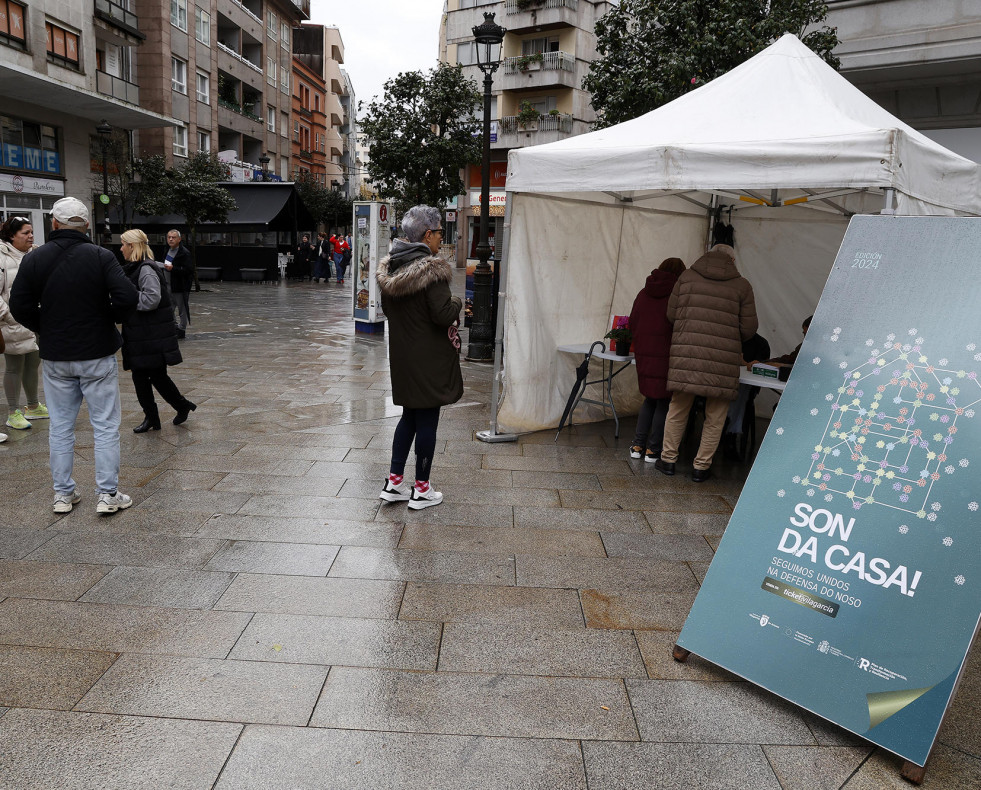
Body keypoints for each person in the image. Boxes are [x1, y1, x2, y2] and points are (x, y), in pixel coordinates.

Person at [9, 196, 139, 514]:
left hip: (56, 354)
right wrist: (104, 318)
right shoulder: (100, 256)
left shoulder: (35, 259)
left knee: (61, 426)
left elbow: (19, 306)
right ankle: (108, 494)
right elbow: (127, 296)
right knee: (105, 425)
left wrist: (47, 326)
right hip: (97, 351)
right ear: (85, 225)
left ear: (54, 223)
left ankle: (63, 494)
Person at [376, 205, 463, 510]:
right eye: (440, 233)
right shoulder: (432, 272)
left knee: (409, 418)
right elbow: (442, 315)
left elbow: (389, 312)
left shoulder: (391, 270)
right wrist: (458, 301)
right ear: (428, 235)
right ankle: (422, 489)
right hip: (429, 360)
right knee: (427, 419)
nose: (441, 238)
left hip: (402, 359)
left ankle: (394, 483)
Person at [653, 243, 758, 483]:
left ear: (708, 254)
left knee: (678, 409)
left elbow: (671, 314)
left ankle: (668, 460)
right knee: (716, 415)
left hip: (687, 354)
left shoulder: (687, 277)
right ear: (732, 261)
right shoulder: (742, 285)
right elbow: (749, 328)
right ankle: (701, 467)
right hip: (722, 360)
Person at [119, 229, 196, 433]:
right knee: (144, 377)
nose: (121, 248)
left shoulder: (145, 269)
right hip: (143, 335)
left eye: (123, 244)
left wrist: (128, 296)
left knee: (154, 377)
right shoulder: (137, 268)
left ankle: (174, 408)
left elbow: (151, 300)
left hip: (150, 335)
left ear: (133, 247)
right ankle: (158, 415)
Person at [627, 257, 685, 463]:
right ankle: (653, 450)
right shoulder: (677, 296)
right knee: (664, 402)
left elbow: (633, 321)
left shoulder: (644, 293)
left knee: (649, 399)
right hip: (667, 356)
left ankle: (637, 445)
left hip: (644, 355)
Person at [1, 216, 47, 432]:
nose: (31, 236)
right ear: (11, 235)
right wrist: (8, 315)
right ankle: (12, 412)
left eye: (31, 232)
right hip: (12, 322)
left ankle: (33, 406)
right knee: (13, 367)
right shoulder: (2, 257)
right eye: (25, 233)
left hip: (34, 320)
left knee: (33, 362)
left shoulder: (36, 253)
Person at [720, 333, 770, 461]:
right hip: (719, 385)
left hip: (740, 389)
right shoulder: (726, 337)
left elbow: (760, 367)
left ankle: (728, 433)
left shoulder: (760, 344)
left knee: (739, 392)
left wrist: (746, 364)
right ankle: (727, 433)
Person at [163, 229, 192, 339]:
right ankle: (173, 326)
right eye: (169, 237)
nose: (170, 239)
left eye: (173, 237)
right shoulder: (167, 250)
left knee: (182, 308)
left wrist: (173, 269)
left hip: (179, 286)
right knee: (169, 307)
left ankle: (182, 329)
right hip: (168, 284)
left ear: (179, 239)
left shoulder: (184, 253)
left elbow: (188, 270)